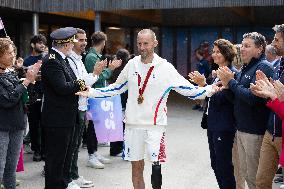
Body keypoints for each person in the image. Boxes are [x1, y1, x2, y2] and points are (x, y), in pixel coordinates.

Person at [76, 29, 217, 189]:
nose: (142, 47)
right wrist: (92, 92)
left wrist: (210, 89)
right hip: (132, 126)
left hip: (155, 127)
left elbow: (188, 90)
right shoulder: (131, 64)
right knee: (136, 168)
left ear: (155, 44)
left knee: (156, 167)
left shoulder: (165, 68)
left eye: (146, 44)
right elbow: (116, 88)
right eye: (139, 44)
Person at [217, 32, 275, 189]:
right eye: (242, 45)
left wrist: (231, 82)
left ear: (259, 49)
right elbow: (237, 99)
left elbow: (252, 98)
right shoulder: (245, 68)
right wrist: (227, 86)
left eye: (247, 46)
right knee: (246, 174)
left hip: (255, 132)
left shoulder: (263, 67)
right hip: (241, 129)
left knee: (255, 179)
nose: (242, 49)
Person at [41, 27, 87, 189]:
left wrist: (78, 83)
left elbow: (70, 83)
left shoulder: (61, 59)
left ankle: (62, 184)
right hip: (57, 119)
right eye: (72, 43)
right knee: (56, 161)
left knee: (63, 159)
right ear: (66, 44)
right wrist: (80, 83)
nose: (73, 46)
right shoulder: (53, 61)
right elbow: (62, 87)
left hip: (64, 118)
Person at [189, 39, 237, 189]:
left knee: (224, 166)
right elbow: (211, 93)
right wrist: (205, 84)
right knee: (216, 164)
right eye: (213, 51)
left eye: (217, 51)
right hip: (213, 124)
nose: (213, 54)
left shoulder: (231, 74)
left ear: (226, 54)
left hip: (224, 125)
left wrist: (205, 86)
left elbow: (226, 98)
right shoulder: (217, 73)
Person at [66, 28, 108, 188]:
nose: (84, 43)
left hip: (82, 105)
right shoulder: (69, 60)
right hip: (75, 107)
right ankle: (69, 178)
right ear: (71, 41)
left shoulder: (79, 58)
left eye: (85, 40)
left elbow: (84, 81)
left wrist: (96, 75)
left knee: (76, 144)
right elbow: (78, 84)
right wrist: (96, 75)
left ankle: (74, 175)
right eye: (80, 40)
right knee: (71, 145)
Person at [0, 37, 41, 189]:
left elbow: (20, 95)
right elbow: (7, 99)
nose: (13, 55)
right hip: (2, 127)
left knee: (11, 166)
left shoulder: (9, 72)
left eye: (13, 52)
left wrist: (27, 78)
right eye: (9, 53)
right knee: (1, 166)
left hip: (17, 124)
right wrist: (26, 81)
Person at [250, 24, 284, 189]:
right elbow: (273, 99)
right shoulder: (277, 66)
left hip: (282, 136)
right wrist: (264, 92)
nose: (274, 43)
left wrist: (273, 95)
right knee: (261, 182)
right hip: (270, 132)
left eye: (277, 39)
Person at [84, 31, 121, 169]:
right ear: (103, 42)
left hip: (98, 94)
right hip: (94, 94)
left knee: (96, 125)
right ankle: (91, 155)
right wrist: (110, 69)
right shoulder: (92, 57)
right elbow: (97, 77)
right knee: (93, 126)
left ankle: (94, 152)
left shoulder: (95, 56)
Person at [23, 34, 47, 161]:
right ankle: (36, 150)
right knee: (33, 124)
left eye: (43, 42)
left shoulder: (46, 57)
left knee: (45, 124)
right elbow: (26, 77)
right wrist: (34, 78)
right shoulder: (27, 60)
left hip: (46, 95)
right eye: (39, 42)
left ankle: (44, 151)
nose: (42, 45)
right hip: (32, 95)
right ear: (33, 45)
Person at [109, 48, 130, 156]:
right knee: (123, 126)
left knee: (116, 126)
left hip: (114, 100)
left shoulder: (114, 69)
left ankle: (114, 149)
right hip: (123, 102)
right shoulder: (126, 71)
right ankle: (119, 149)